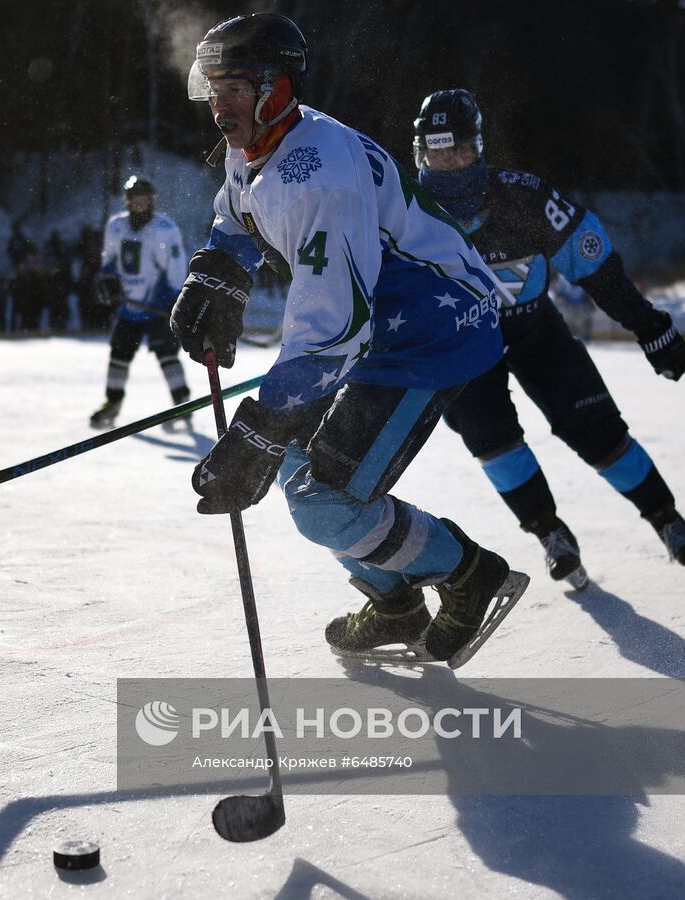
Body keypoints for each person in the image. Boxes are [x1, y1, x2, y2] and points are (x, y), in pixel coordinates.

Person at [171, 13, 527, 664]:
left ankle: (472, 576)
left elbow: (332, 330)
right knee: (301, 469)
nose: (220, 109)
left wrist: (261, 426)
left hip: (432, 330)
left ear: (278, 88)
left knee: (323, 506)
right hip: (382, 325)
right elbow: (237, 211)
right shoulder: (256, 142)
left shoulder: (320, 173)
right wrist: (218, 273)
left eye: (235, 90)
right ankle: (396, 604)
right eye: (212, 90)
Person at [412, 88, 685, 587]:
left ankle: (666, 518)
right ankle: (551, 533)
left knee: (596, 429)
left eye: (457, 150)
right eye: (434, 153)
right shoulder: (402, 211)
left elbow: (595, 266)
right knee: (492, 440)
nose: (447, 164)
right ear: (420, 155)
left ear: (477, 149)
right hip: (461, 351)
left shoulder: (524, 197)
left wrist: (648, 324)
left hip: (535, 333)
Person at [88, 176, 191, 429]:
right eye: (135, 199)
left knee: (166, 354)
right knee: (119, 354)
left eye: (144, 199)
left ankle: (183, 404)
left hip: (158, 304)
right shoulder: (116, 226)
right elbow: (110, 261)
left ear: (152, 201)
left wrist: (174, 300)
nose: (139, 204)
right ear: (128, 200)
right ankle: (112, 403)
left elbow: (177, 270)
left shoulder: (165, 229)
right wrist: (107, 280)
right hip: (129, 304)